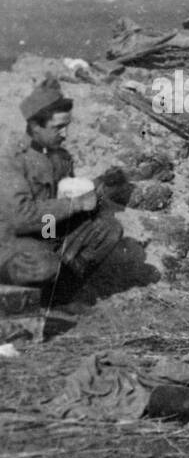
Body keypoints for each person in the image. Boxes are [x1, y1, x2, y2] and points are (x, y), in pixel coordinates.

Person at [0, 76, 122, 303]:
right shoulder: (11, 160)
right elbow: (20, 218)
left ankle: (59, 299)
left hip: (47, 233)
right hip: (13, 242)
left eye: (67, 126)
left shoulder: (61, 157)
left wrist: (95, 196)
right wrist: (75, 204)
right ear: (35, 126)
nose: (65, 134)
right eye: (58, 127)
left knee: (108, 230)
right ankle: (18, 299)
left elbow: (60, 202)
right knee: (43, 264)